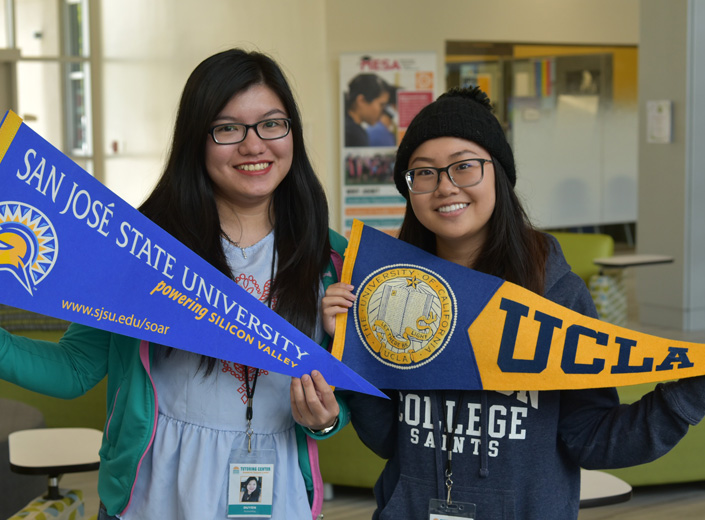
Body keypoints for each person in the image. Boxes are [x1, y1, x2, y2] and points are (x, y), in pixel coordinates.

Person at [322, 86, 705, 520]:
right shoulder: (395, 293)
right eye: (424, 173)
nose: (445, 187)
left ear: (498, 174)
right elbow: (390, 439)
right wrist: (350, 354)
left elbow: (592, 438)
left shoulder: (555, 295)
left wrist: (689, 395)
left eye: (464, 166)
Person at [0, 49, 347, 520]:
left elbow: (345, 403)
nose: (254, 145)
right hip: (157, 493)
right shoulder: (142, 248)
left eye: (272, 123)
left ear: (292, 132)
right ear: (196, 139)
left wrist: (326, 421)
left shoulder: (332, 257)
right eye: (227, 129)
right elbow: (75, 368)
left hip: (278, 491)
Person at [344, 73, 390, 147]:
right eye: (381, 105)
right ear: (361, 100)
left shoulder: (347, 126)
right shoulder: (355, 135)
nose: (383, 111)